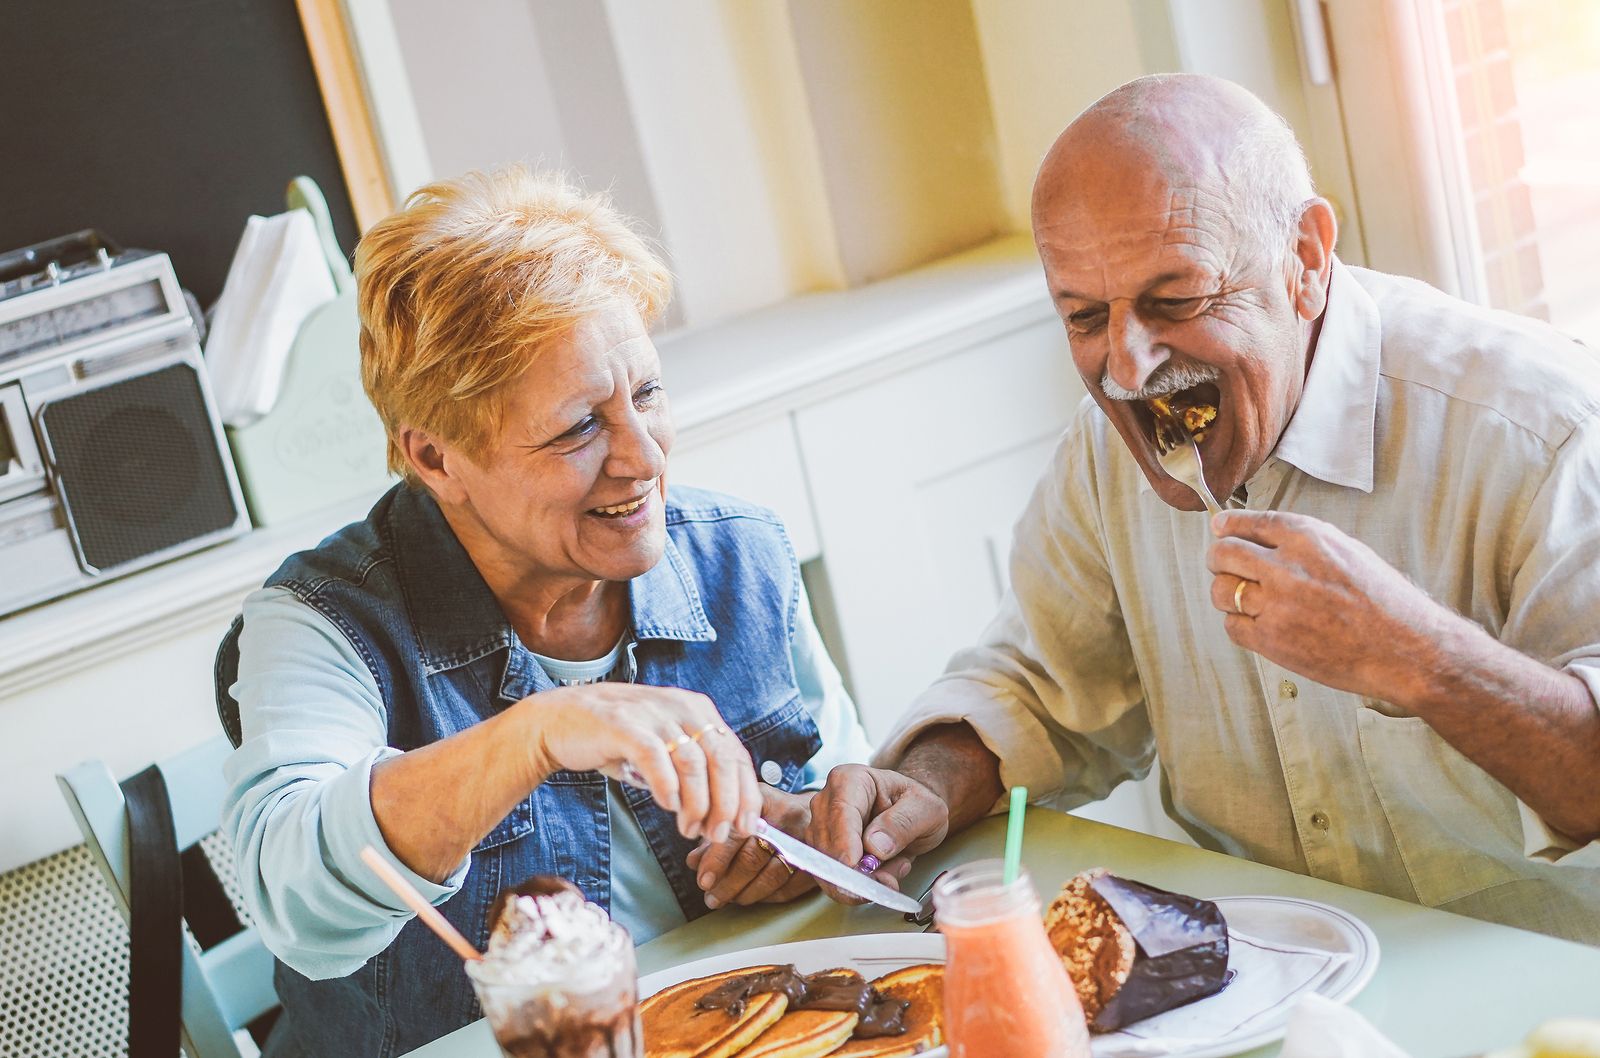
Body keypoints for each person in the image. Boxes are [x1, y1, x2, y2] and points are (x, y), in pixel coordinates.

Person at [806, 73, 1600, 946]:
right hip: (1256, 984)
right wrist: (927, 782)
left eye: (1174, 301)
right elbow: (1037, 686)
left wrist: (1418, 658)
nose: (1129, 369)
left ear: (1304, 258)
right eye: (1083, 317)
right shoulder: (1104, 452)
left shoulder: (1546, 433)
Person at [219, 166, 872, 1057]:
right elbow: (294, 897)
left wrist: (804, 842)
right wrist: (537, 732)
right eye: (578, 429)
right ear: (437, 459)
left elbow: (844, 800)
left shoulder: (740, 556)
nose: (642, 459)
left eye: (645, 394)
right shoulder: (322, 621)